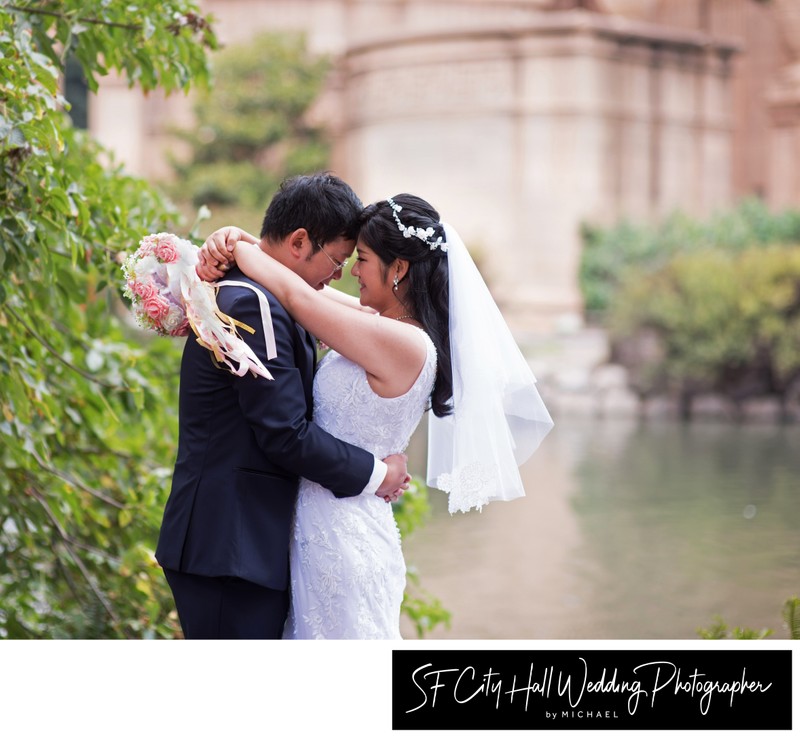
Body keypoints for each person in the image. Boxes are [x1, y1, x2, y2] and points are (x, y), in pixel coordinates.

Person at [198, 192, 554, 639]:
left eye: (362, 259)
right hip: (317, 523)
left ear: (399, 268)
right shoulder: (383, 325)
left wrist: (236, 246)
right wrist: (237, 239)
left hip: (343, 536)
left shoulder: (405, 344)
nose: (352, 271)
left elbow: (293, 293)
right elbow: (304, 288)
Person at [154, 173, 410, 640]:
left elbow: (340, 308)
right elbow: (285, 432)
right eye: (336, 260)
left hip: (239, 546)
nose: (338, 276)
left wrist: (240, 242)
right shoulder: (251, 305)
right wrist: (379, 475)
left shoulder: (260, 293)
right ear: (298, 242)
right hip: (229, 548)